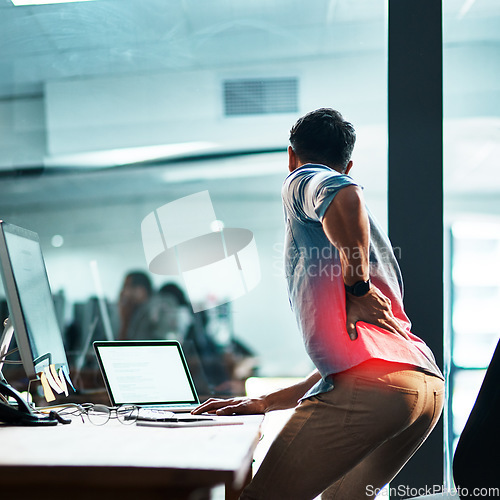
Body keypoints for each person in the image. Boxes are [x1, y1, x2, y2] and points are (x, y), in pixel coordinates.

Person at [193, 108, 445, 499]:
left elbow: (342, 191)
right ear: (348, 159)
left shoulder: (301, 180)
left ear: (290, 156)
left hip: (378, 389)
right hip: (423, 390)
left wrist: (357, 287)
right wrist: (265, 402)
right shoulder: (363, 240)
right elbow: (355, 365)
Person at [117, 270, 153, 340]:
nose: (123, 292)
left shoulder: (152, 311)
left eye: (127, 287)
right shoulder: (133, 310)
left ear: (141, 290)